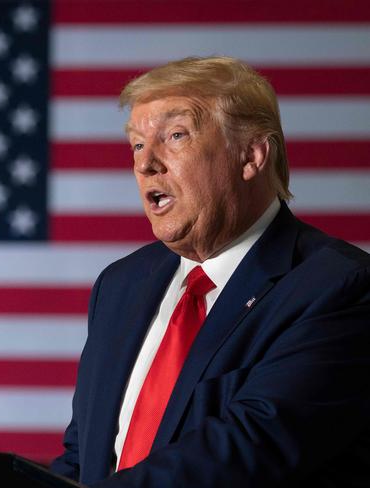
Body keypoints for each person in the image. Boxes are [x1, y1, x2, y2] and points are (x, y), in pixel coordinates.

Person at [50, 57, 370, 487]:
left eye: (175, 136)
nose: (146, 164)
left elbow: (249, 446)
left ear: (252, 155)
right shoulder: (121, 284)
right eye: (137, 145)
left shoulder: (337, 288)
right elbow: (85, 454)